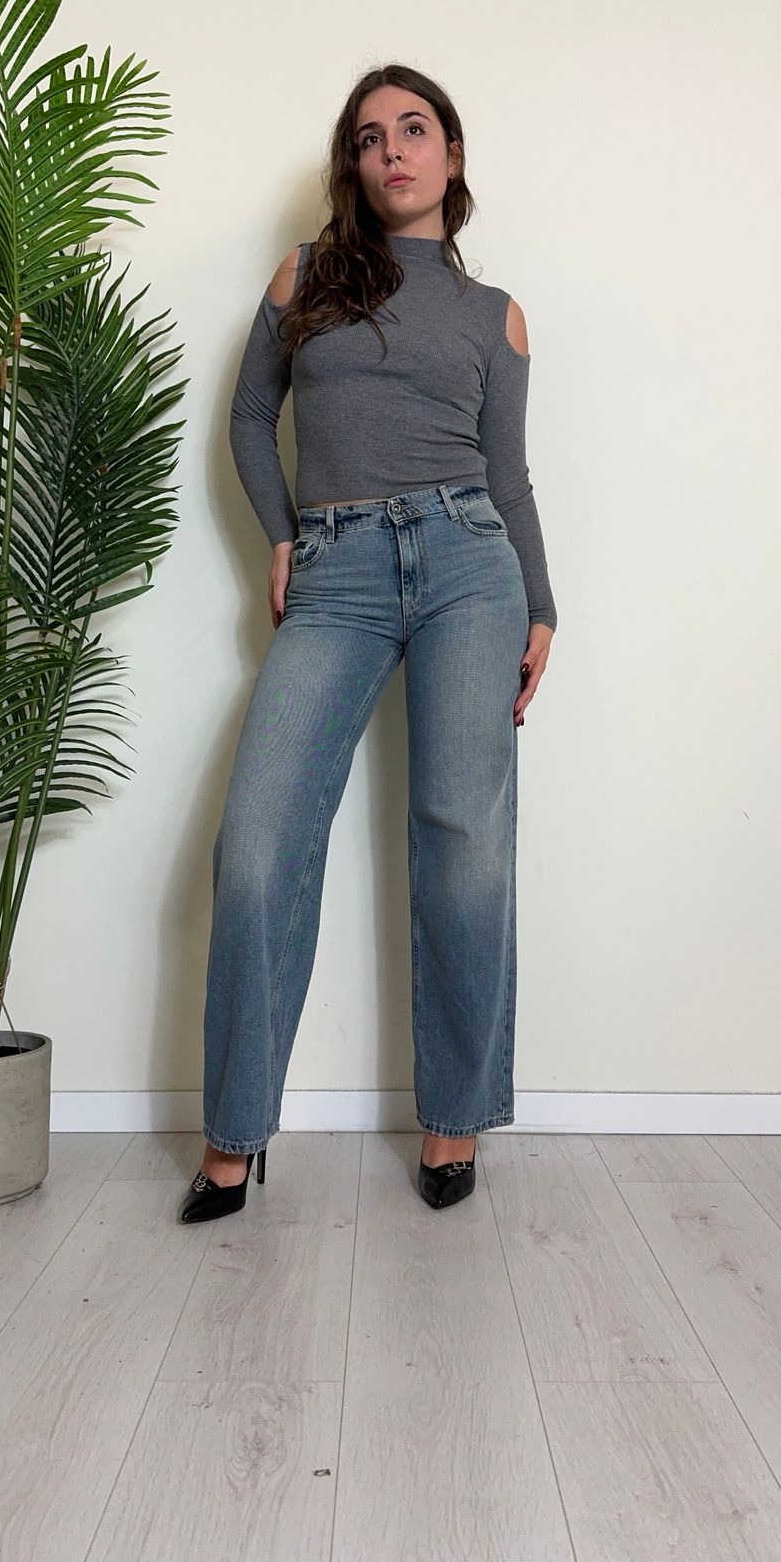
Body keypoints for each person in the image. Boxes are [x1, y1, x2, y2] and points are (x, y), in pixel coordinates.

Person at [181, 63, 557, 1224]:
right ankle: (234, 1135)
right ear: (352, 164)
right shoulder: (304, 275)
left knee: (462, 839)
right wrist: (280, 535)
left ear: (450, 153)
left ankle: (454, 1120)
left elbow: (508, 477)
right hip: (336, 568)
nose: (391, 149)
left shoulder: (496, 316)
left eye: (413, 128)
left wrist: (541, 607)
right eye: (368, 136)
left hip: (468, 562)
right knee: (257, 843)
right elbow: (251, 416)